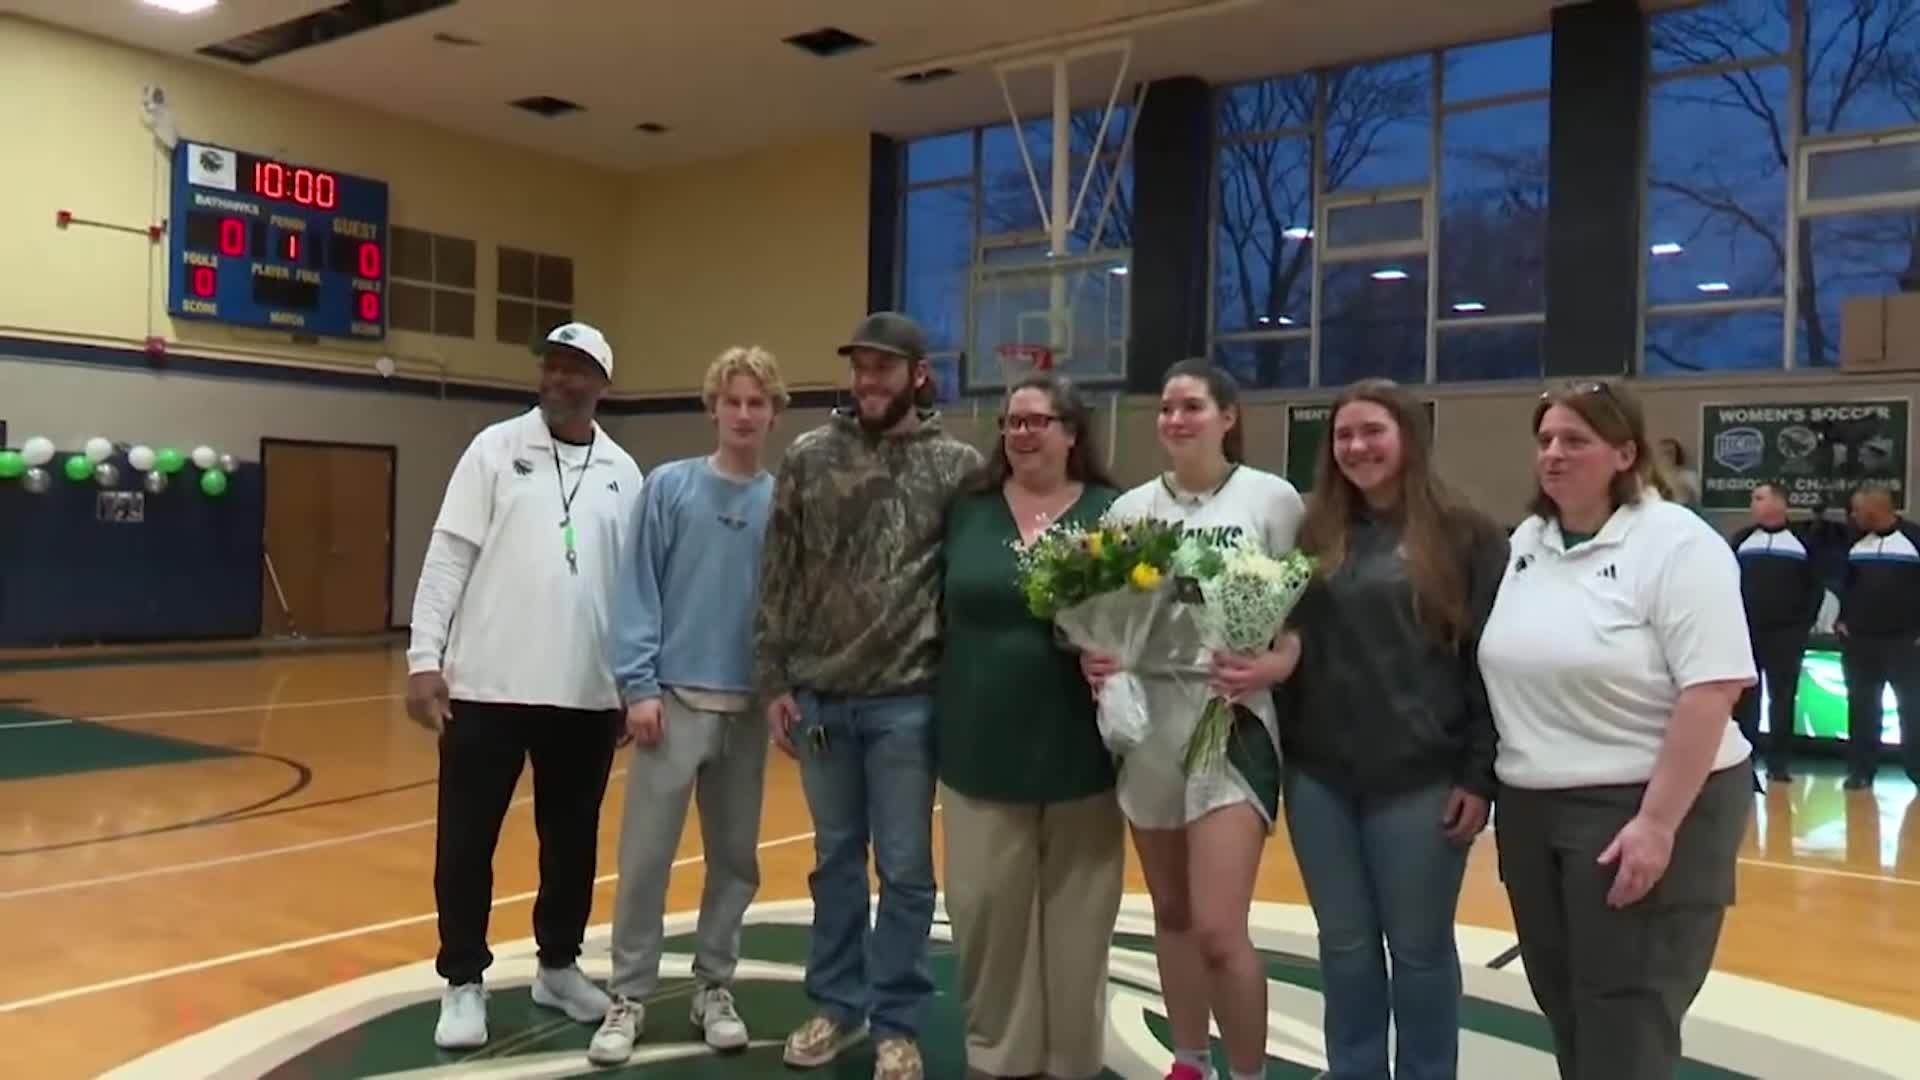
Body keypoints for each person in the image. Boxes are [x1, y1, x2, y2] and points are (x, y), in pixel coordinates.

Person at [1476, 379, 1756, 1080]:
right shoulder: (1530, 541)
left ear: (1625, 454)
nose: (1553, 454)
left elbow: (1713, 689)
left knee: (1625, 1016)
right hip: (1533, 806)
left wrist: (1657, 824)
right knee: (1565, 1003)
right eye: (1545, 440)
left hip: (1643, 800)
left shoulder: (1679, 544)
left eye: (1575, 440)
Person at [754, 311, 985, 1080]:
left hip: (908, 702)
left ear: (918, 375)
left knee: (908, 870)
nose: (867, 380)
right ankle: (836, 1005)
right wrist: (774, 680)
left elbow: (965, 584)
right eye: (860, 367)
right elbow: (778, 571)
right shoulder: (808, 456)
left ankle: (897, 1023)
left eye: (883, 367)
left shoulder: (957, 467)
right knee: (835, 864)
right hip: (821, 699)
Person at [404, 321, 644, 1050]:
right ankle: (463, 981)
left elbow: (636, 588)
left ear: (602, 384)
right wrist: (423, 656)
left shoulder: (623, 472)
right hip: (487, 688)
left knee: (571, 844)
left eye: (575, 368)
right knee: (466, 840)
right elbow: (448, 555)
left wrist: (633, 681)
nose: (559, 378)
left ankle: (558, 966)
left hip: (587, 695)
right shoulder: (493, 450)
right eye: (552, 365)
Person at [1081, 358, 1305, 1080]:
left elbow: (1306, 618)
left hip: (1230, 714)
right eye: (1167, 408)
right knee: (1171, 911)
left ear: (1228, 417)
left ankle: (1249, 1072)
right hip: (1148, 719)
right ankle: (1188, 1059)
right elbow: (1101, 615)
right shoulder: (1130, 510)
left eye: (1192, 407)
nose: (1175, 420)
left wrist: (1277, 663)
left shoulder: (1272, 500)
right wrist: (1095, 653)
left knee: (1218, 927)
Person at [1277, 378, 1507, 1080]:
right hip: (1319, 779)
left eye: (1372, 431)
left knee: (1419, 951)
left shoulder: (1467, 535)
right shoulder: (1311, 535)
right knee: (1344, 949)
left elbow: (1489, 663)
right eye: (1344, 435)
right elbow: (1290, 644)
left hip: (1422, 779)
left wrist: (1479, 774)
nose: (1357, 447)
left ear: (1409, 436)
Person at [588, 346, 789, 1065]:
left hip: (747, 710)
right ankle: (628, 994)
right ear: (712, 409)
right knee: (646, 858)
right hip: (671, 706)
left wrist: (781, 689)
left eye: (756, 403)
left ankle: (714, 986)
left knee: (735, 860)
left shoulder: (782, 503)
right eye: (732, 401)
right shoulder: (670, 488)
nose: (743, 414)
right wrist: (639, 687)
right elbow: (638, 588)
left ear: (774, 414)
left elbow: (787, 606)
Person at [934, 371, 1124, 1080]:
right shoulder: (968, 510)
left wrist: (1120, 655)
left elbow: (1150, 618)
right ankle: (999, 1058)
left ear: (1071, 432)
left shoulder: (1114, 512)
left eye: (1036, 421)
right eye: (1011, 421)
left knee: (1080, 921)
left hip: (1082, 751)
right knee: (987, 913)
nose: (1021, 433)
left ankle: (1072, 1060)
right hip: (980, 744)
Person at [1728, 482, 1825, 784]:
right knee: (1746, 701)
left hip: (1786, 635)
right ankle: (1745, 763)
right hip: (1746, 633)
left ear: (1779, 504)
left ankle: (1779, 764)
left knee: (1782, 699)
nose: (1753, 504)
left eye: (1759, 498)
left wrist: (1802, 625)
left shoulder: (1803, 542)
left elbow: (1815, 588)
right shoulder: (1742, 539)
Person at [1834, 483, 1920, 790]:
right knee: (1861, 707)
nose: (1853, 516)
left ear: (1875, 509)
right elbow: (1845, 585)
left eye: (1858, 510)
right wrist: (1842, 619)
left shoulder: (1914, 538)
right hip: (1860, 641)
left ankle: (1916, 769)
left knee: (1912, 708)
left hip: (1906, 642)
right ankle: (1861, 770)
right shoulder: (1854, 543)